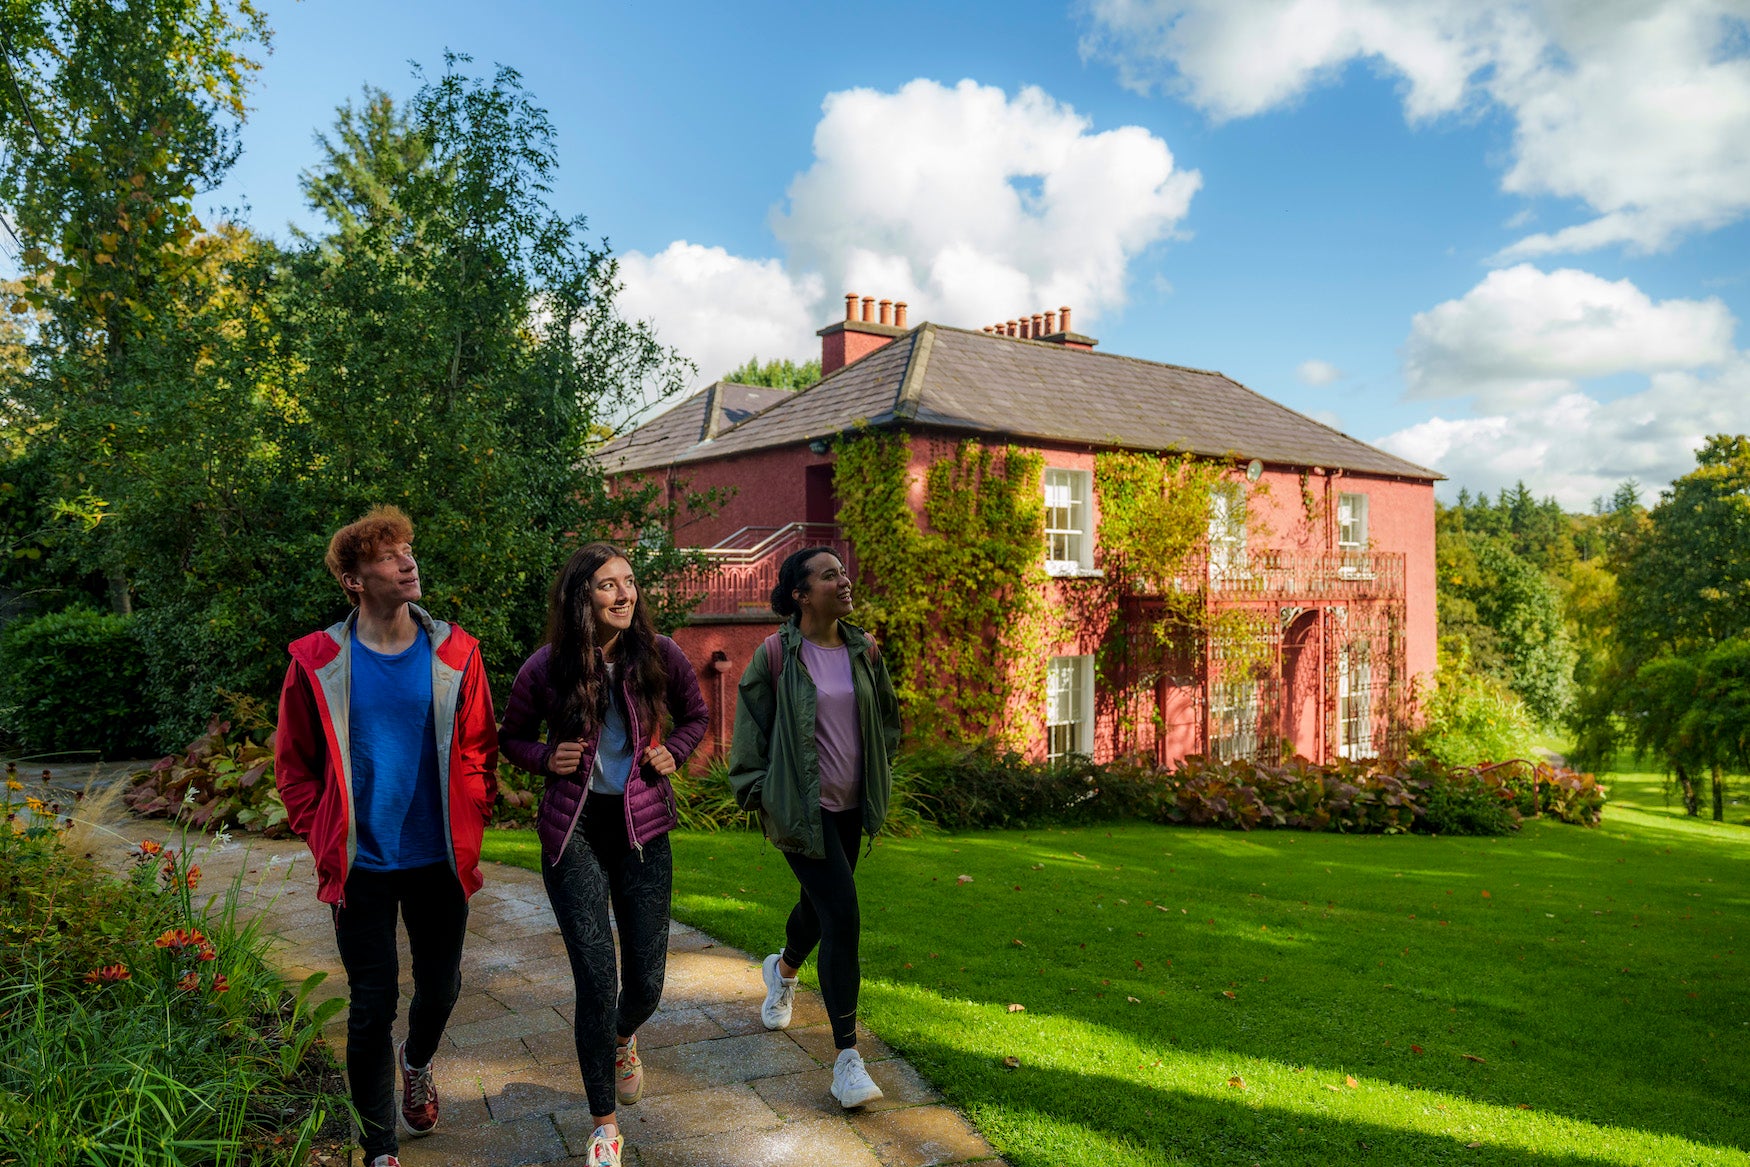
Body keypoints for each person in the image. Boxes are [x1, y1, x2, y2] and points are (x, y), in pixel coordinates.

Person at [275, 506, 499, 1167]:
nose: (408, 561)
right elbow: (294, 764)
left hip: (438, 859)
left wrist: (474, 805)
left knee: (443, 987)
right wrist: (322, 834)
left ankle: (419, 1059)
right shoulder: (316, 660)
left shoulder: (456, 652)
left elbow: (481, 744)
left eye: (408, 549)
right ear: (353, 578)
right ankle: (378, 1149)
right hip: (361, 864)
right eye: (388, 555)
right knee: (373, 1004)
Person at [499, 542, 708, 1167]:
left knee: (644, 983)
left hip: (642, 830)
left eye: (630, 582)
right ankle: (604, 1126)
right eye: (608, 585)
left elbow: (695, 716)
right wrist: (544, 757)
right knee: (596, 979)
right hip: (575, 833)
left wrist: (674, 751)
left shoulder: (658, 653)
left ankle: (623, 1036)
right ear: (580, 597)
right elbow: (510, 737)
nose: (625, 594)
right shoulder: (548, 666)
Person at [728, 545, 901, 1109]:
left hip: (850, 808)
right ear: (801, 594)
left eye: (844, 571)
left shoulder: (864, 649)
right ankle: (848, 1059)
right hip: (800, 809)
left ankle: (782, 970)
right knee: (844, 916)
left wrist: (879, 771)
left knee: (819, 907)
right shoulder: (776, 655)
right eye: (830, 575)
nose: (844, 580)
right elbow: (750, 731)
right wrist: (758, 794)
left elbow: (887, 722)